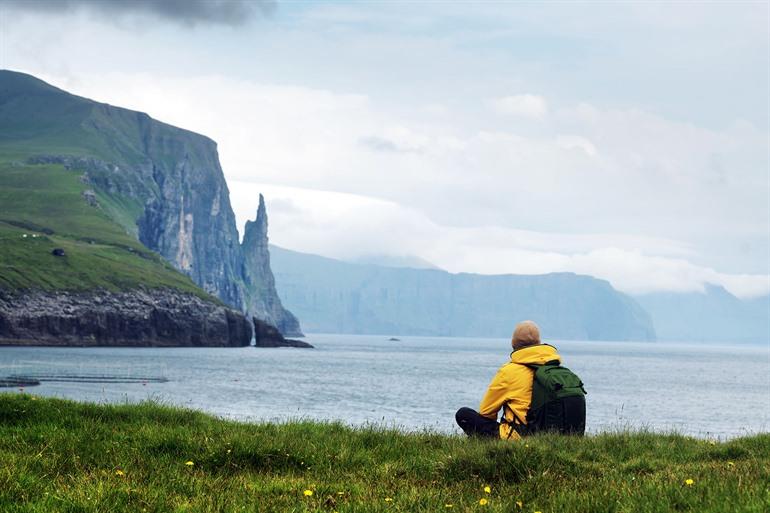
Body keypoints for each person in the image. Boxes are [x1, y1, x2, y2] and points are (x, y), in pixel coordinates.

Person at [455, 320, 562, 440]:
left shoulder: (509, 371)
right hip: (551, 436)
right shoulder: (555, 370)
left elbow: (486, 413)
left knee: (463, 414)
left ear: (513, 344)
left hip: (518, 436)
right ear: (539, 343)